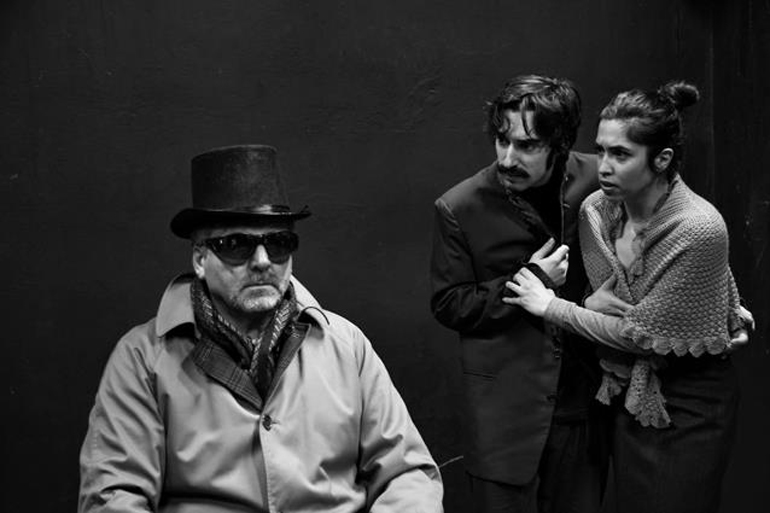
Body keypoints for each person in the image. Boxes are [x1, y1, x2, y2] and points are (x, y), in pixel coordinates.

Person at [79, 145, 444, 513]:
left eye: (278, 243)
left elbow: (408, 474)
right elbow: (113, 498)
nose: (262, 261)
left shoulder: (346, 345)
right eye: (236, 245)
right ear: (200, 258)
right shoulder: (142, 359)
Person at [506, 81, 752, 513]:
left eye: (621, 154)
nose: (604, 166)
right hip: (626, 395)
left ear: (662, 159)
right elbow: (614, 311)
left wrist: (551, 306)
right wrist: (591, 307)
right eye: (601, 150)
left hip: (690, 401)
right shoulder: (596, 213)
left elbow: (636, 334)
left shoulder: (697, 227)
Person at [430, 75, 607, 512]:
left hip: (584, 407)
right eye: (502, 140)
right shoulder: (459, 206)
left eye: (527, 145)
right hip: (503, 419)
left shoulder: (599, 180)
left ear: (559, 143)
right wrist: (530, 279)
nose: (508, 158)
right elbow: (449, 304)